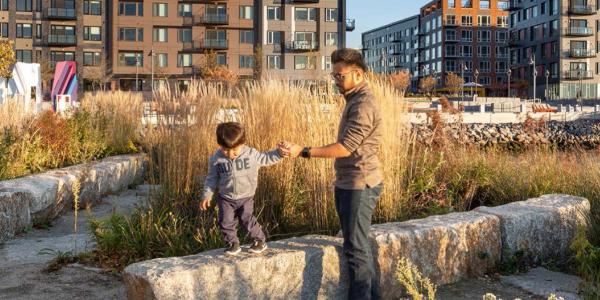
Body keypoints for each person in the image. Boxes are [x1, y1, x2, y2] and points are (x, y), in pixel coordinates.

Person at [280, 48, 383, 300]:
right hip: (353, 181)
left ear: (357, 74)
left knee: (356, 250)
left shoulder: (362, 104)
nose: (336, 81)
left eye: (340, 76)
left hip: (359, 182)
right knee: (359, 247)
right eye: (334, 76)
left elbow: (345, 147)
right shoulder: (355, 99)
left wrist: (302, 151)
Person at [199, 122, 283, 255]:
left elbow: (266, 158)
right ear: (219, 145)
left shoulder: (251, 155)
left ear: (242, 143)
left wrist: (279, 153)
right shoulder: (216, 158)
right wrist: (207, 195)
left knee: (247, 219)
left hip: (246, 196)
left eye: (234, 150)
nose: (230, 154)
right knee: (225, 221)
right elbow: (212, 178)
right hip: (226, 197)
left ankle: (259, 240)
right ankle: (233, 243)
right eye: (225, 149)